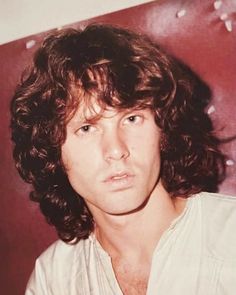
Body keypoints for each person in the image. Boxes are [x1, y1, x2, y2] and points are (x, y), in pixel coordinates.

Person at [10, 24, 236, 295]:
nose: (116, 149)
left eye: (131, 118)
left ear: (163, 129)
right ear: (54, 153)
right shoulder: (53, 279)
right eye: (86, 128)